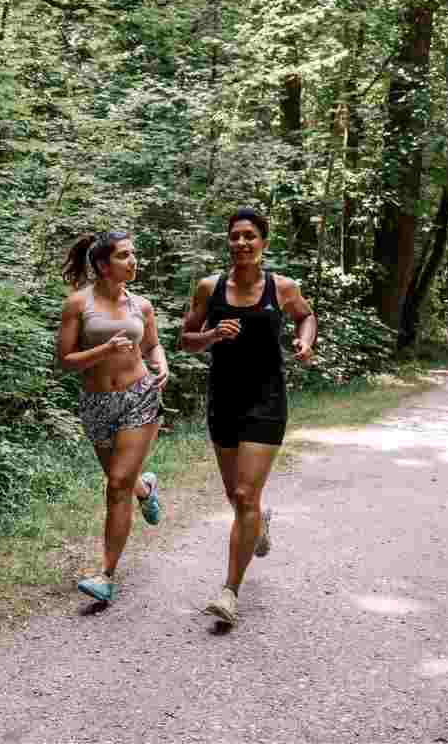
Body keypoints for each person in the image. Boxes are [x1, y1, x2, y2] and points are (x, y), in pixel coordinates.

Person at [180, 208, 316, 626]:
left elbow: (306, 316)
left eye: (250, 236)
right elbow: (185, 340)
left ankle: (229, 592)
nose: (241, 243)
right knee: (237, 497)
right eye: (235, 236)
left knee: (243, 496)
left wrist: (304, 341)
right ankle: (259, 526)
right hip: (224, 399)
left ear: (263, 243)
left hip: (267, 399)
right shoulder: (209, 288)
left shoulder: (282, 287)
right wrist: (212, 335)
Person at [57, 230, 169, 603]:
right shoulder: (78, 304)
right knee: (122, 481)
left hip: (140, 398)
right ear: (104, 265)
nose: (133, 261)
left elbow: (152, 344)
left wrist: (160, 365)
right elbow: (66, 361)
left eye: (133, 254)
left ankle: (106, 575)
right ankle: (146, 488)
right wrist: (103, 349)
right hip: (96, 403)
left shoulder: (142, 305)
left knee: (116, 485)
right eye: (124, 256)